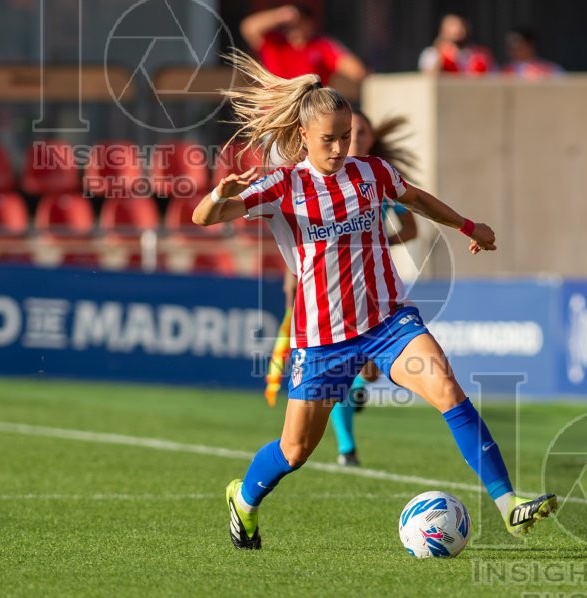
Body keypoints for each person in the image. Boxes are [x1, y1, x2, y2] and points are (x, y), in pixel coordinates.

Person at [193, 49, 557, 550]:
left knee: (448, 390)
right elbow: (205, 219)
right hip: (322, 338)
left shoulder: (371, 173)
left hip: (387, 320)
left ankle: (508, 503)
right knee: (295, 450)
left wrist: (468, 226)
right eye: (330, 139)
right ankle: (244, 499)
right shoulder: (284, 184)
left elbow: (416, 199)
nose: (341, 147)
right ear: (303, 136)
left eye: (346, 136)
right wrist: (218, 195)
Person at [266, 110, 420, 467]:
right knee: (342, 368)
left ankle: (357, 391)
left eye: (359, 134)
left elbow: (411, 229)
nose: (355, 140)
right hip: (325, 283)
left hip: (373, 281)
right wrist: (294, 277)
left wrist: (376, 242)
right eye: (353, 133)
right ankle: (347, 448)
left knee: (369, 371)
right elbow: (299, 232)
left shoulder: (378, 175)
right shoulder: (316, 176)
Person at [240, 3, 367, 86]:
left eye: (302, 20)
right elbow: (248, 28)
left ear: (311, 23)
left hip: (309, 110)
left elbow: (355, 70)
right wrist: (278, 16)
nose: (296, 25)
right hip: (276, 110)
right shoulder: (274, 42)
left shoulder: (322, 46)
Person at [418, 14, 495, 74]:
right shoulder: (432, 53)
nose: (458, 29)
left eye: (461, 25)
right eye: (452, 25)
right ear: (442, 30)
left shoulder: (480, 55)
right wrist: (439, 54)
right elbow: (428, 79)